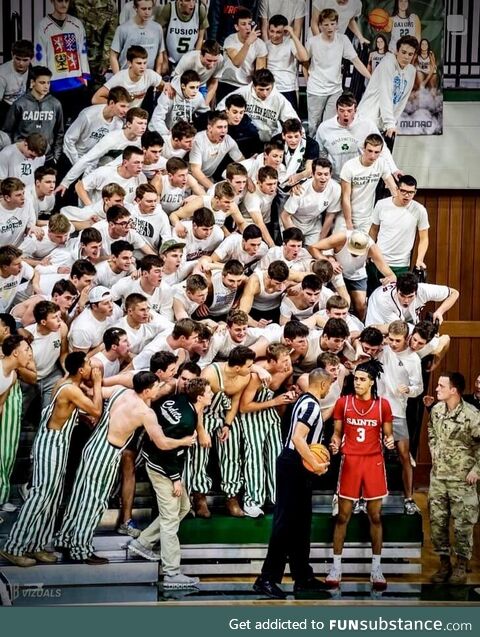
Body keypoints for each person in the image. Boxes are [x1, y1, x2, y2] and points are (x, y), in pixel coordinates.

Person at [55, 371, 197, 563]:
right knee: (94, 502)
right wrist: (184, 441)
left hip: (93, 445)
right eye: (156, 387)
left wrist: (95, 383)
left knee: (79, 495)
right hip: (107, 453)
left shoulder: (120, 390)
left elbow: (90, 392)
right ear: (146, 391)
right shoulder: (145, 413)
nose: (159, 390)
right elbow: (162, 443)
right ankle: (80, 549)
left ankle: (64, 539)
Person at [0, 352, 103, 567]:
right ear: (81, 371)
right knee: (40, 496)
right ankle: (13, 547)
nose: (93, 368)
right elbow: (96, 410)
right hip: (51, 444)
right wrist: (98, 383)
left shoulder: (64, 382)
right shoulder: (71, 389)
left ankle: (36, 545)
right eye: (89, 365)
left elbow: (66, 410)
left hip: (58, 442)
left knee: (53, 498)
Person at [253, 367, 332, 599]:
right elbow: (298, 438)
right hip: (293, 465)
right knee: (285, 524)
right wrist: (315, 464)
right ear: (324, 385)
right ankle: (266, 578)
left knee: (300, 525)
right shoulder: (310, 405)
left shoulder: (305, 401)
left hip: (297, 466)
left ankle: (303, 577)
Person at [128, 378, 213, 588]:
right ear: (200, 397)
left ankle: (142, 542)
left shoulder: (180, 400)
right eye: (209, 392)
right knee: (169, 521)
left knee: (183, 507)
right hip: (162, 467)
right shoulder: (185, 422)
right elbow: (168, 450)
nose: (212, 394)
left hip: (154, 458)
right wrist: (176, 479)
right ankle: (171, 574)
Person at [325, 360, 394, 590]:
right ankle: (336, 567)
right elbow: (336, 434)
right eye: (355, 378)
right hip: (350, 462)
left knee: (375, 516)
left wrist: (390, 441)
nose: (358, 382)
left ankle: (376, 568)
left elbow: (388, 435)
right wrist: (334, 444)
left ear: (372, 382)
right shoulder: (343, 403)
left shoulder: (383, 405)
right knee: (343, 516)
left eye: (363, 379)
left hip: (374, 462)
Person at [189, 346, 256, 518]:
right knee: (199, 453)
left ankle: (231, 496)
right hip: (204, 416)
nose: (252, 368)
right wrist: (201, 431)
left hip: (224, 417)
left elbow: (235, 403)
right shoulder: (210, 373)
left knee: (232, 451)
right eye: (249, 365)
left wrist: (227, 425)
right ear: (237, 367)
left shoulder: (244, 376)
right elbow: (197, 406)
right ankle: (199, 496)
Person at [428, 372, 480, 585]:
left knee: (463, 525)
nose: (437, 389)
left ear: (454, 390)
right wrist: (432, 449)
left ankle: (461, 565)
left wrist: (477, 469)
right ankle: (444, 563)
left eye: (441, 386)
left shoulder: (472, 414)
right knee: (437, 523)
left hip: (462, 480)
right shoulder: (437, 410)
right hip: (438, 478)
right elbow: (431, 431)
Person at [239, 343, 296, 517]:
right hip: (252, 419)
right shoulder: (257, 376)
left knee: (275, 458)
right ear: (272, 361)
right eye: (284, 361)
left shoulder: (284, 371)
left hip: (269, 417)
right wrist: (276, 402)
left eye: (288, 360)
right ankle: (252, 501)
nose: (288, 364)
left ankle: (275, 498)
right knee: (254, 460)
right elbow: (244, 407)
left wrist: (289, 394)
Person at [378, 320, 423, 514]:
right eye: (390, 339)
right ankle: (367, 497)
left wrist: (409, 390)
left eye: (397, 340)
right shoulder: (383, 348)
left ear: (406, 339)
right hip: (376, 409)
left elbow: (418, 388)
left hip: (397, 412)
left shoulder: (413, 359)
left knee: (404, 455)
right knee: (372, 455)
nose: (393, 343)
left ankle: (409, 498)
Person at [304, 8, 370, 136]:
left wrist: (371, 77)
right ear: (320, 25)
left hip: (334, 90)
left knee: (329, 125)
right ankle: (314, 154)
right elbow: (305, 62)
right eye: (326, 24)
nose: (330, 27)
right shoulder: (313, 41)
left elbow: (356, 61)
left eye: (333, 24)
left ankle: (326, 155)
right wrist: (308, 81)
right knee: (313, 126)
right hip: (315, 89)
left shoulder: (343, 39)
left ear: (337, 25)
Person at [310, 229, 395, 320]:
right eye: (353, 251)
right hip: (336, 272)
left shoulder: (372, 248)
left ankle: (357, 325)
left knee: (361, 306)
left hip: (356, 274)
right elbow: (313, 248)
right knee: (334, 303)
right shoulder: (341, 238)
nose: (354, 253)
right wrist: (329, 262)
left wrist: (390, 277)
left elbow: (389, 273)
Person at [316, 92, 399, 182]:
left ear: (355, 111)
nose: (346, 114)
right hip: (336, 179)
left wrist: (394, 170)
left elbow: (382, 149)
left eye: (349, 110)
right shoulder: (324, 128)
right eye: (342, 110)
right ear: (337, 110)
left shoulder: (367, 124)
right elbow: (321, 155)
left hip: (360, 178)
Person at [368, 174, 429, 292]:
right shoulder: (382, 204)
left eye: (410, 192)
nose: (407, 195)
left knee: (397, 301)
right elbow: (374, 229)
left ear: (415, 192)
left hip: (401, 264)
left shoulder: (419, 210)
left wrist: (420, 259)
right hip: (378, 260)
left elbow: (424, 238)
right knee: (373, 299)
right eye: (403, 191)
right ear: (397, 189)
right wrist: (369, 252)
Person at [357, 35, 418, 150]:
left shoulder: (411, 71)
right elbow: (386, 93)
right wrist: (390, 123)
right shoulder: (388, 63)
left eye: (410, 54)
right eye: (403, 52)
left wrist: (392, 122)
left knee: (383, 162)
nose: (406, 57)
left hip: (385, 123)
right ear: (396, 51)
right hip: (368, 117)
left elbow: (402, 100)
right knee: (366, 159)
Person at [34, 0, 90, 123]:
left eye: (66, 1)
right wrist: (42, 80)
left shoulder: (76, 24)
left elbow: (83, 50)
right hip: (54, 83)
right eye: (60, 0)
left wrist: (85, 76)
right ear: (52, 1)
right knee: (57, 122)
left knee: (78, 122)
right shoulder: (43, 25)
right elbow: (40, 54)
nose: (64, 4)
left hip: (76, 81)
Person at [0, 336, 36, 512]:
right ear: (15, 352)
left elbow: (0, 403)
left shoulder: (13, 375)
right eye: (26, 350)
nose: (30, 354)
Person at [3, 66, 64, 166]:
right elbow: (7, 131)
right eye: (42, 82)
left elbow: (59, 133)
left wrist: (55, 158)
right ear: (32, 82)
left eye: (48, 83)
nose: (46, 86)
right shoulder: (20, 104)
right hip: (22, 156)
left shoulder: (55, 104)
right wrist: (12, 154)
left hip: (46, 157)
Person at [339, 133, 397, 232]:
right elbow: (345, 197)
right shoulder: (349, 166)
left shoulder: (381, 163)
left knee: (363, 246)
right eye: (370, 151)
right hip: (345, 217)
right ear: (363, 148)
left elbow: (393, 188)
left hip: (367, 218)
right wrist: (348, 223)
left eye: (376, 152)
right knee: (339, 246)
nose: (372, 155)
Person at [365, 272, 459, 332]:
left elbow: (454, 293)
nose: (406, 300)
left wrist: (440, 311)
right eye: (402, 296)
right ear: (396, 290)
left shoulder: (424, 290)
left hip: (404, 320)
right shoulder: (383, 299)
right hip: (379, 321)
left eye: (410, 297)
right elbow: (400, 329)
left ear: (416, 291)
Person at [218, 7, 267, 101]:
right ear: (236, 27)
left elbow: (259, 73)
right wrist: (247, 43)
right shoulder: (230, 40)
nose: (248, 27)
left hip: (246, 86)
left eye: (250, 23)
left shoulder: (260, 44)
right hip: (227, 83)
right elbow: (237, 62)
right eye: (243, 24)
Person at [110, 0, 167, 74]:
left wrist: (157, 76)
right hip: (127, 76)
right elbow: (113, 55)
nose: (147, 12)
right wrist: (118, 78)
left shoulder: (157, 28)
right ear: (135, 8)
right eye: (143, 9)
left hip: (148, 78)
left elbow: (160, 53)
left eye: (149, 9)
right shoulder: (123, 29)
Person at [264, 15, 309, 110]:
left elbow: (304, 58)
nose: (274, 35)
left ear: (284, 32)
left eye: (278, 32)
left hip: (288, 88)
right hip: (270, 89)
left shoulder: (290, 43)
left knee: (290, 122)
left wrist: (292, 34)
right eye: (272, 31)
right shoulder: (265, 45)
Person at [170, 40, 223, 107]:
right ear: (201, 54)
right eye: (209, 60)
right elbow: (176, 80)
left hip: (202, 86)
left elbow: (213, 82)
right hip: (182, 86)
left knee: (205, 112)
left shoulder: (220, 60)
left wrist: (204, 105)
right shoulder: (188, 59)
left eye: (215, 61)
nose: (212, 65)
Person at [157, 0, 209, 67]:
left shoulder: (200, 11)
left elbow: (201, 38)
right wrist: (164, 58)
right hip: (170, 58)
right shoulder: (169, 8)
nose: (192, 4)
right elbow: (159, 34)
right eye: (188, 1)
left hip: (190, 59)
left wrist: (195, 59)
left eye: (194, 0)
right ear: (180, 1)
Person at [0, 40, 34, 127]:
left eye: (25, 60)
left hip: (26, 110)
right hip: (6, 110)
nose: (21, 63)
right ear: (12, 55)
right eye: (17, 59)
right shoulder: (2, 73)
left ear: (31, 59)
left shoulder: (33, 71)